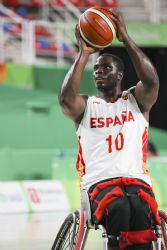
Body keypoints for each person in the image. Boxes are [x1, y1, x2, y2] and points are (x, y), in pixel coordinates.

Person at [59, 11, 160, 250]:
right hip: (99, 185)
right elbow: (65, 99)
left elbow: (153, 82)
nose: (98, 71)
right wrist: (84, 54)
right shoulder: (87, 106)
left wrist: (125, 38)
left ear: (120, 75)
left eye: (105, 68)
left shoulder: (136, 101)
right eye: (95, 69)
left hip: (136, 182)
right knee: (119, 207)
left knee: (141, 206)